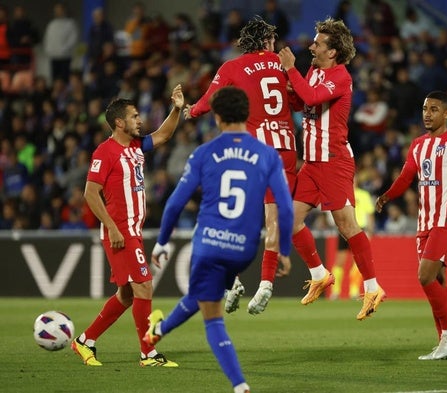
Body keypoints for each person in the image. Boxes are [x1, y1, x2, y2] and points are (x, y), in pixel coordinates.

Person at [145, 86, 293, 393]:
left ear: (217, 117)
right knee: (203, 294)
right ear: (246, 114)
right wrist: (286, 251)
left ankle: (239, 385)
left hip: (210, 243)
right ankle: (157, 332)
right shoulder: (267, 154)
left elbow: (174, 203)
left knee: (212, 316)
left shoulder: (204, 153)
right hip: (244, 250)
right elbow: (285, 206)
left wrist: (161, 242)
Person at [184, 17, 298, 315]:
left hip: (255, 153)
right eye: (272, 40)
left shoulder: (232, 67)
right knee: (273, 219)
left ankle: (232, 281)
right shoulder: (283, 63)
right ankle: (265, 285)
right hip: (286, 149)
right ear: (266, 42)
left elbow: (208, 102)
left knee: (230, 216)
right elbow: (298, 99)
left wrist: (190, 111)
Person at [277, 17, 385, 320]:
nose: (311, 47)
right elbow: (303, 102)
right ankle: (321, 274)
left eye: (318, 43)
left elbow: (312, 96)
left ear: (333, 52)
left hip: (334, 161)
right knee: (290, 221)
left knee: (347, 227)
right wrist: (280, 88)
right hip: (311, 162)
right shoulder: (314, 70)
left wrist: (289, 69)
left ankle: (373, 287)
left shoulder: (340, 76)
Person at [70, 84, 185, 367]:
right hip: (120, 231)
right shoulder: (104, 152)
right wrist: (112, 227)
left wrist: (177, 108)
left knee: (126, 294)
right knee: (144, 285)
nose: (140, 120)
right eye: (134, 117)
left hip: (131, 230)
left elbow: (165, 134)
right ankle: (149, 354)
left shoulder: (136, 146)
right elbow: (90, 193)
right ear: (119, 122)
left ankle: (85, 341)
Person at [376, 91, 447, 360]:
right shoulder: (418, 145)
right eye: (424, 109)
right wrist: (387, 195)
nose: (427, 114)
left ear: (446, 113)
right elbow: (406, 177)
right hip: (425, 222)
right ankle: (445, 344)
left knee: (424, 276)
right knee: (437, 281)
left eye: (434, 109)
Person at [43, 2, 79, 82]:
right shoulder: (51, 24)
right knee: (54, 78)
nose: (58, 12)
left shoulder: (70, 23)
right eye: (56, 11)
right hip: (53, 56)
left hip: (65, 56)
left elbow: (73, 39)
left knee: (64, 78)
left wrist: (64, 48)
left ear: (64, 11)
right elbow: (47, 39)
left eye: (59, 10)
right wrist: (48, 50)